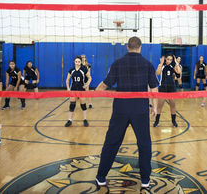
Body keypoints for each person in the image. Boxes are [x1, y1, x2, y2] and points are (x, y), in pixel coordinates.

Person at [95, 37, 159, 190]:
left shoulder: (117, 63)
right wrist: (154, 107)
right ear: (140, 47)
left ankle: (101, 177)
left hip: (121, 109)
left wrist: (95, 92)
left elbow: (105, 84)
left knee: (111, 143)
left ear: (128, 47)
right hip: (140, 110)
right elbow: (154, 89)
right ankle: (145, 180)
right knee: (144, 144)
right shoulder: (148, 64)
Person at [154, 54, 182, 127]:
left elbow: (179, 72)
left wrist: (176, 63)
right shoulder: (162, 66)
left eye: (170, 60)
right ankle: (157, 121)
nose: (169, 61)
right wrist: (160, 63)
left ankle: (173, 121)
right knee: (160, 105)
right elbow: (157, 73)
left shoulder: (173, 66)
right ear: (165, 59)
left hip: (171, 88)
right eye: (168, 59)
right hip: (163, 87)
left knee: (173, 105)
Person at [65, 56, 92, 127]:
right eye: (76, 61)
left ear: (81, 62)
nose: (77, 63)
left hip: (81, 89)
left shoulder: (84, 69)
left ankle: (85, 119)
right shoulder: (71, 70)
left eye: (79, 62)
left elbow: (89, 78)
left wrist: (87, 85)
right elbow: (67, 80)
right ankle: (69, 120)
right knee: (72, 105)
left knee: (83, 105)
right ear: (74, 62)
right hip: (73, 89)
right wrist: (68, 88)